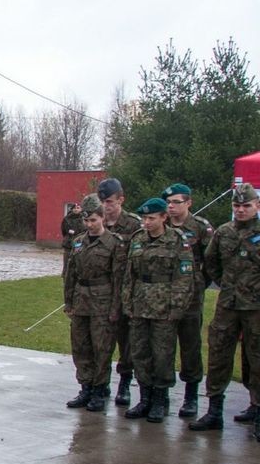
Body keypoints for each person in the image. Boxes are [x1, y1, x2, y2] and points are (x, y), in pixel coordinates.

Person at [191, 183, 260, 436]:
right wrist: (228, 285)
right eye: (236, 206)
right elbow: (211, 264)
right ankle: (214, 411)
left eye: (246, 206)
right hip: (228, 305)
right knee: (219, 356)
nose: (240, 210)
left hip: (256, 308)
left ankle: (257, 408)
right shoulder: (224, 232)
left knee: (257, 358)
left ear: (257, 206)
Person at [120, 197, 194, 423]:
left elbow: (184, 277)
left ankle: (160, 400)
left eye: (151, 218)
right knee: (140, 353)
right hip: (140, 304)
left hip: (164, 306)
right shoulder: (138, 239)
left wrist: (176, 307)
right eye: (144, 218)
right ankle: (145, 398)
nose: (147, 222)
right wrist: (128, 302)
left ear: (164, 217)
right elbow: (129, 275)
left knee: (162, 355)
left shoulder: (177, 240)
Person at [62, 194, 125, 412]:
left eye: (93, 221)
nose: (89, 225)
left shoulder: (114, 243)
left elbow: (119, 279)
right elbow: (70, 274)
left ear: (102, 219)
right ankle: (85, 387)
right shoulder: (78, 242)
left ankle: (99, 389)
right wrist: (68, 301)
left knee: (102, 347)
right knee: (80, 346)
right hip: (81, 299)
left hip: (103, 300)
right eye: (86, 221)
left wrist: (116, 308)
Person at [162, 183, 215, 418]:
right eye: (169, 203)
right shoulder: (161, 226)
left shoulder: (200, 228)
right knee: (162, 347)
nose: (172, 207)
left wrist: (198, 283)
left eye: (176, 202)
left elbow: (212, 262)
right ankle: (160, 394)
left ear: (189, 203)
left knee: (190, 346)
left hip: (191, 299)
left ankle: (191, 396)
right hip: (162, 297)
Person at [98, 178, 143, 406]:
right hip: (103, 293)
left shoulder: (134, 225)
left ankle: (125, 383)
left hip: (126, 293)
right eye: (103, 202)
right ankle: (101, 383)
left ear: (121, 200)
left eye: (110, 202)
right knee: (102, 341)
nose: (106, 206)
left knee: (126, 342)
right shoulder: (98, 224)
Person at [59, 199, 85, 278]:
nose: (76, 209)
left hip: (79, 243)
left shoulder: (84, 219)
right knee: (67, 263)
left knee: (78, 262)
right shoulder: (67, 219)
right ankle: (65, 276)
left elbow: (84, 230)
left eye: (78, 208)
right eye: (75, 208)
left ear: (81, 209)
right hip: (68, 244)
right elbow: (64, 230)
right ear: (72, 209)